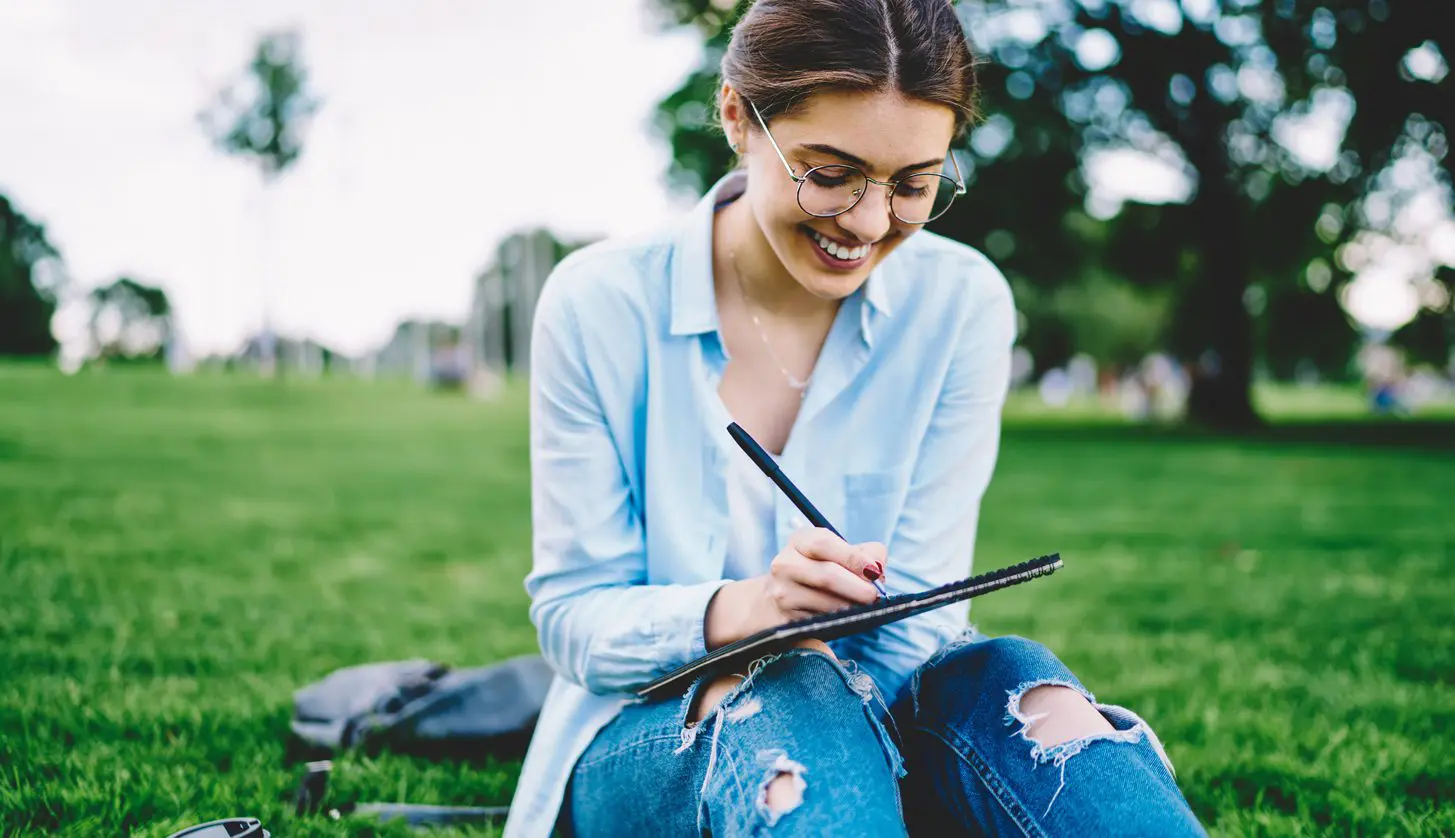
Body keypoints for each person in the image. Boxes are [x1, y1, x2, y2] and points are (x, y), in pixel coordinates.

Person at [503, 1, 1207, 835]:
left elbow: (922, 624)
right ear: (736, 114)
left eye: (913, 186)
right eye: (828, 173)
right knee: (794, 695)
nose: (869, 224)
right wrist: (754, 607)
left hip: (888, 706)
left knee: (1019, 683)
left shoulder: (961, 302)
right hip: (657, 731)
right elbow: (573, 620)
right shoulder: (599, 302)